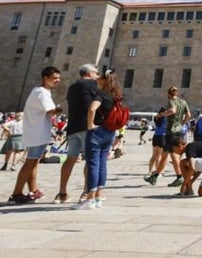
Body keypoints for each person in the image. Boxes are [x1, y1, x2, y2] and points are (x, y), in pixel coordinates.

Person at [8, 66, 62, 204]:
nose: (58, 80)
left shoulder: (39, 91)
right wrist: (59, 109)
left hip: (36, 132)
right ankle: (16, 193)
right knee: (30, 163)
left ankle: (33, 190)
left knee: (34, 162)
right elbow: (51, 111)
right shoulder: (42, 92)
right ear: (45, 78)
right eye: (54, 78)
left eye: (58, 78)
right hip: (37, 133)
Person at [71, 70, 121, 209]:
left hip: (97, 132)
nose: (97, 79)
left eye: (100, 77)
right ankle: (99, 197)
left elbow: (92, 109)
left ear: (105, 80)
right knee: (102, 164)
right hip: (109, 132)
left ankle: (89, 199)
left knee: (93, 164)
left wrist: (90, 125)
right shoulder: (116, 96)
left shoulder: (102, 94)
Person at [54, 63, 99, 204]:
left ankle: (62, 193)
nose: (97, 76)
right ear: (89, 73)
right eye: (96, 73)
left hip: (73, 127)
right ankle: (86, 192)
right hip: (88, 127)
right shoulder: (93, 86)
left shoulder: (72, 87)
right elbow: (91, 107)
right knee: (90, 160)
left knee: (70, 159)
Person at [144, 86, 191, 187]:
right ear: (177, 93)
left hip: (171, 132)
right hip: (178, 131)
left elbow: (173, 110)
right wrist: (182, 123)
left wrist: (162, 115)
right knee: (165, 155)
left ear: (169, 94)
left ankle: (179, 176)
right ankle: (155, 176)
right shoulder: (183, 102)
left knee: (172, 154)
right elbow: (189, 115)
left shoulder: (171, 101)